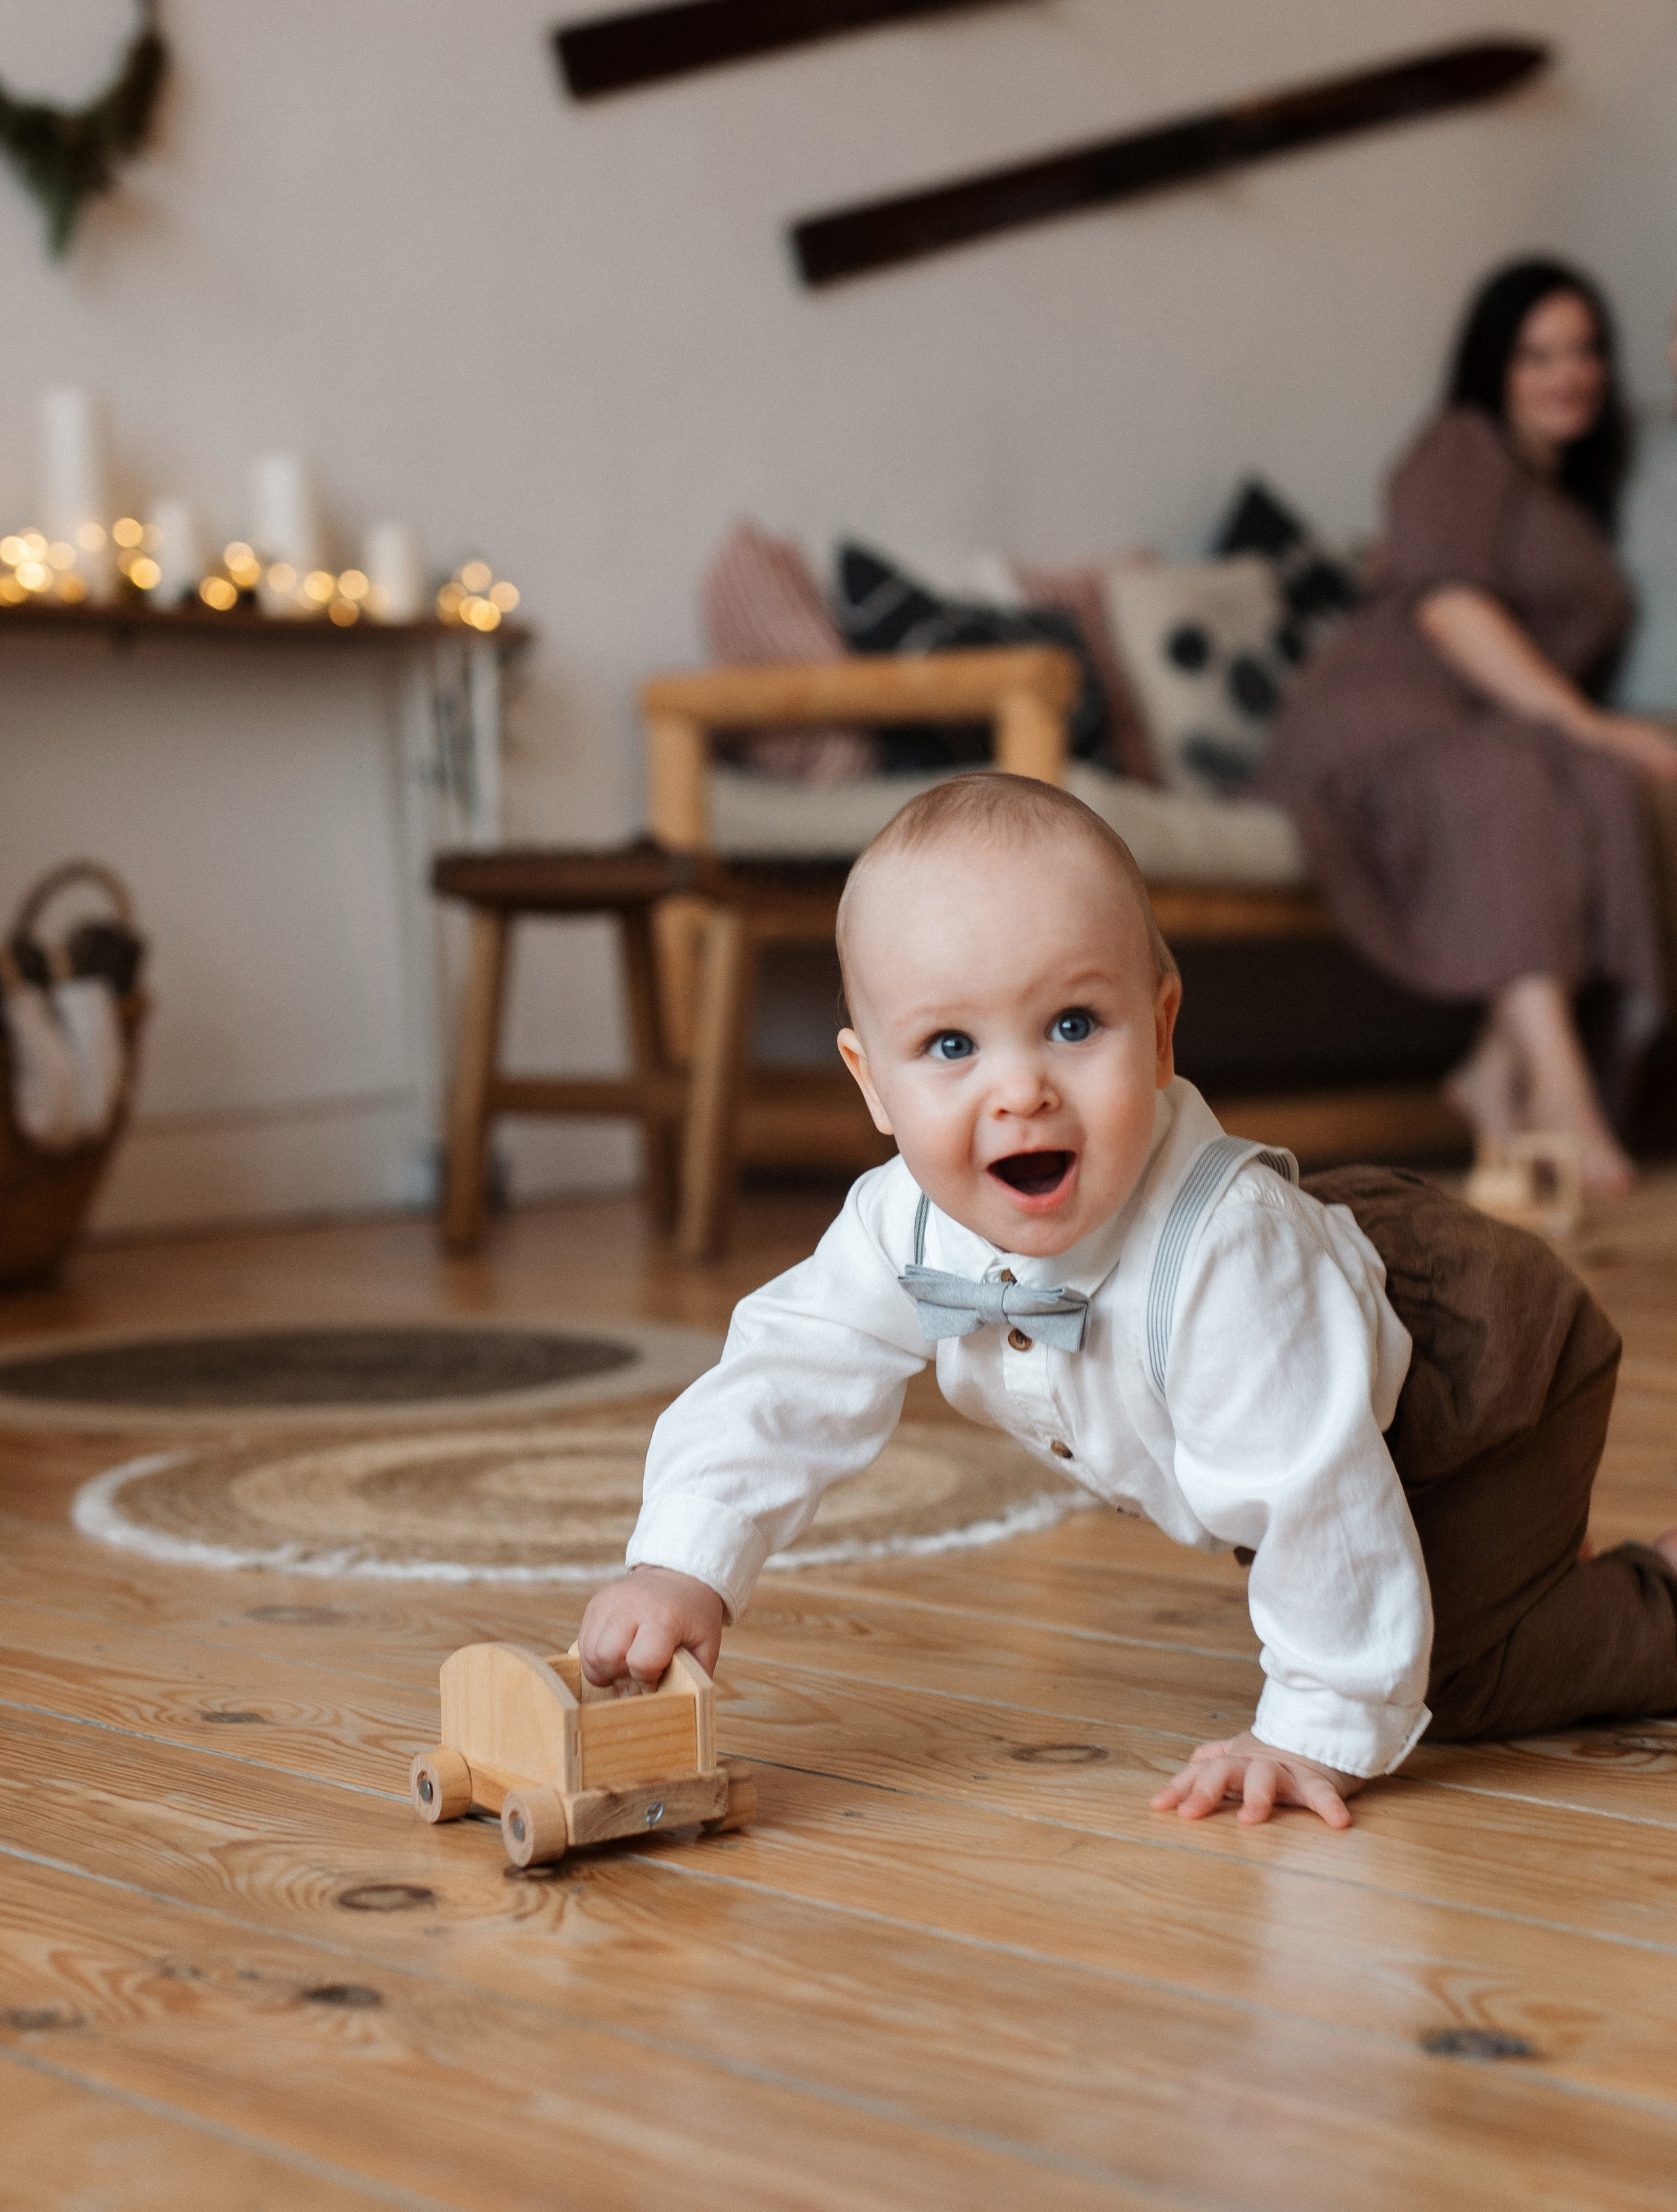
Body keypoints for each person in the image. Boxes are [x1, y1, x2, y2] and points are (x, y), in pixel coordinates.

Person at [577, 776, 1677, 1829]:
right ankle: (1514, 1561)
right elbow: (788, 1373)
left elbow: (1314, 1493)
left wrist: (1310, 1733)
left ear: (1159, 1031)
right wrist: (684, 1561)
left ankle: (1650, 1593)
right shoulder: (899, 1221)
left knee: (1461, 1681)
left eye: (1071, 1025)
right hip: (1318, 1342)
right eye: (951, 1047)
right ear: (872, 1083)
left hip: (1476, 1381)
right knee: (1344, 1552)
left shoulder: (1227, 1268)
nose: (1021, 1090)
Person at [1255, 257, 1677, 1198]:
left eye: (1585, 351)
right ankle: (1560, 1094)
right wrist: (1592, 726)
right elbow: (1450, 609)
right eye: (1537, 355)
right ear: (1495, 368)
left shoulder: (1569, 502)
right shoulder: (1462, 446)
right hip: (1376, 719)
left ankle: (1495, 1069)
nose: (1568, 373)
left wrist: (1594, 744)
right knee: (1522, 773)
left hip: (1484, 734)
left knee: (1597, 787)